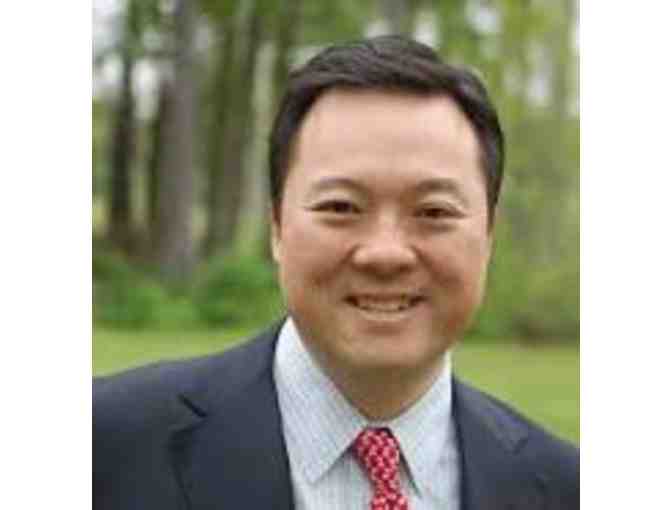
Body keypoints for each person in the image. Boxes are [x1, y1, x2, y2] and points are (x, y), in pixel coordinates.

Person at [93, 35, 579, 509]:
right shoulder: (102, 451)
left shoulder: (567, 488)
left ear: (488, 235)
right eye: (342, 206)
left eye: (433, 212)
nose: (385, 254)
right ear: (277, 226)